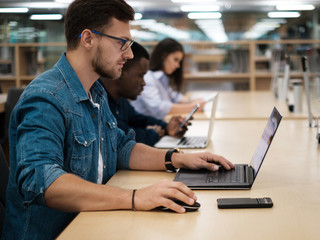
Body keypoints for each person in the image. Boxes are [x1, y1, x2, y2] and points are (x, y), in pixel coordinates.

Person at [2, 0, 234, 239]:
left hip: (91, 224)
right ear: (88, 39)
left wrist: (179, 159)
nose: (130, 54)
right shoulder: (45, 98)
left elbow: (121, 146)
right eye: (122, 43)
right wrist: (134, 197)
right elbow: (43, 182)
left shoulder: (96, 92)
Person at [100, 42, 187, 146]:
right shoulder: (100, 103)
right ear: (120, 70)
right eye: (140, 76)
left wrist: (167, 127)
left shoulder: (120, 101)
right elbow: (125, 138)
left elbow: (138, 119)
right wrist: (155, 133)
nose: (144, 83)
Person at [130, 38, 206, 119]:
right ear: (164, 56)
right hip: (145, 128)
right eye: (175, 60)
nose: (178, 65)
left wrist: (192, 101)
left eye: (179, 61)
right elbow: (158, 108)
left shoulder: (163, 78)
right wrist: (192, 107)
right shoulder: (148, 78)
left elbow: (174, 97)